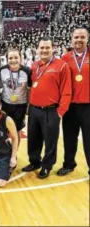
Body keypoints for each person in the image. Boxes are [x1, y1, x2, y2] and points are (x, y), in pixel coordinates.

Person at [22, 37, 72, 179]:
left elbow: (66, 91)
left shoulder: (61, 66)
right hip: (34, 109)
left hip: (51, 110)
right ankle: (34, 162)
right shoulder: (34, 65)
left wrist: (60, 112)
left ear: (53, 48)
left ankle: (46, 166)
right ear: (37, 49)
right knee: (33, 138)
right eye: (41, 48)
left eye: (47, 48)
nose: (44, 50)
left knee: (50, 141)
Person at [57, 28, 90, 176]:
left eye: (82, 37)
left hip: (88, 106)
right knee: (69, 137)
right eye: (76, 37)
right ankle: (69, 164)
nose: (79, 40)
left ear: (87, 38)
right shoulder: (65, 58)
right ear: (71, 39)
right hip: (69, 106)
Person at [0, 48, 31, 146]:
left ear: (20, 58)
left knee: (16, 130)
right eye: (10, 58)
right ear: (7, 59)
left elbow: (30, 89)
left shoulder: (27, 71)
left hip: (20, 105)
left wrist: (29, 105)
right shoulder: (2, 70)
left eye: (16, 57)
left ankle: (14, 153)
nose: (13, 60)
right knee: (4, 129)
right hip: (5, 104)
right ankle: (4, 153)